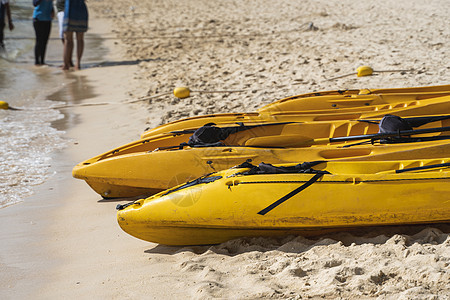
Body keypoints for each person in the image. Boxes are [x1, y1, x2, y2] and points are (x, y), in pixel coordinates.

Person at [62, 0, 88, 70]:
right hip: (81, 9)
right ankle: (78, 63)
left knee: (68, 39)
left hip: (69, 10)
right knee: (80, 39)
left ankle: (66, 64)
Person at [32, 0, 54, 65]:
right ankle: (36, 62)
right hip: (38, 18)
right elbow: (34, 3)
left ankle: (42, 61)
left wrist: (52, 11)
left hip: (48, 19)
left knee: (45, 41)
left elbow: (51, 3)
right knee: (39, 41)